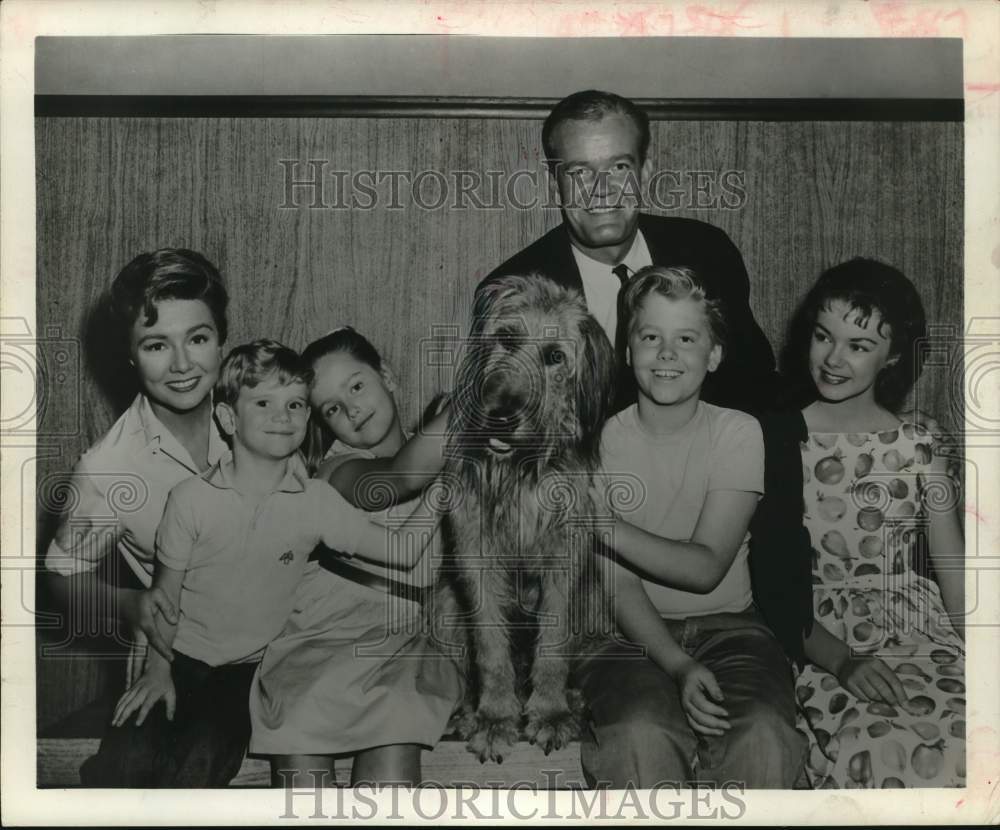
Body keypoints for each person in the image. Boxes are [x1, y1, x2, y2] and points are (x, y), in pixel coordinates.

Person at [90, 339, 439, 787]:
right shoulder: (194, 500)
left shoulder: (312, 502)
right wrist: (157, 670)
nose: (283, 416)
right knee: (129, 760)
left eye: (296, 404)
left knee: (205, 758)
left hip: (248, 670)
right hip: (193, 656)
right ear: (229, 418)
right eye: (264, 403)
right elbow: (165, 598)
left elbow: (408, 555)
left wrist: (446, 488)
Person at [580, 265, 808, 789]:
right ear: (626, 350)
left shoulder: (738, 432)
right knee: (639, 732)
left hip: (733, 629)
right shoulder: (597, 444)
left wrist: (600, 525)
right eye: (650, 336)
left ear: (714, 355)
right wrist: (678, 665)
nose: (666, 353)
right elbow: (618, 586)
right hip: (626, 638)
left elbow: (706, 567)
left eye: (686, 338)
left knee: (762, 733)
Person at [773, 259, 965, 788]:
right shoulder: (777, 437)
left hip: (921, 630)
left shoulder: (921, 443)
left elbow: (953, 571)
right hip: (818, 635)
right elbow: (768, 582)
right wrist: (835, 657)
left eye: (858, 346)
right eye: (822, 337)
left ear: (893, 355)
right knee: (878, 749)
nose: (834, 359)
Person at [249, 328, 460, 787]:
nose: (352, 409)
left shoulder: (439, 443)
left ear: (387, 375)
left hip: (402, 639)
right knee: (304, 746)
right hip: (324, 633)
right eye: (332, 408)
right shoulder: (337, 472)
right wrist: (477, 399)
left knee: (397, 732)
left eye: (357, 386)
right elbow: (402, 478)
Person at [481, 89, 778, 414]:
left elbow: (755, 381)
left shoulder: (707, 252)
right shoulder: (512, 289)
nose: (601, 189)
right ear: (556, 184)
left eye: (619, 167)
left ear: (645, 172)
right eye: (579, 172)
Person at [45, 248, 231, 679]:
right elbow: (61, 580)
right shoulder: (108, 467)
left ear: (222, 340)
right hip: (185, 660)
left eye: (197, 339)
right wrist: (130, 605)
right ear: (130, 354)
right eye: (156, 345)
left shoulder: (269, 412)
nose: (182, 364)